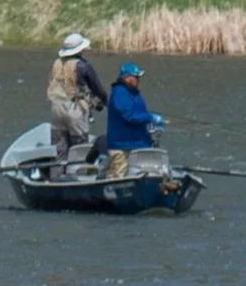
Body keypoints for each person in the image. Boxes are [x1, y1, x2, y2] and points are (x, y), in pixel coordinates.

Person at [46, 32, 108, 178]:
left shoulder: (56, 64)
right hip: (75, 109)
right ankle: (77, 178)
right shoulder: (83, 66)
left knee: (59, 147)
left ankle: (55, 178)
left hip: (57, 108)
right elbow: (97, 89)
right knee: (80, 145)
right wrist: (109, 103)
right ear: (80, 49)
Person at [104, 62, 166, 179]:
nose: (139, 80)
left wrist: (151, 126)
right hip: (121, 146)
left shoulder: (133, 93)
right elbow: (130, 116)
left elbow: (140, 114)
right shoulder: (120, 93)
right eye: (136, 77)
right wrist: (151, 117)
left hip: (136, 143)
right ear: (127, 78)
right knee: (117, 176)